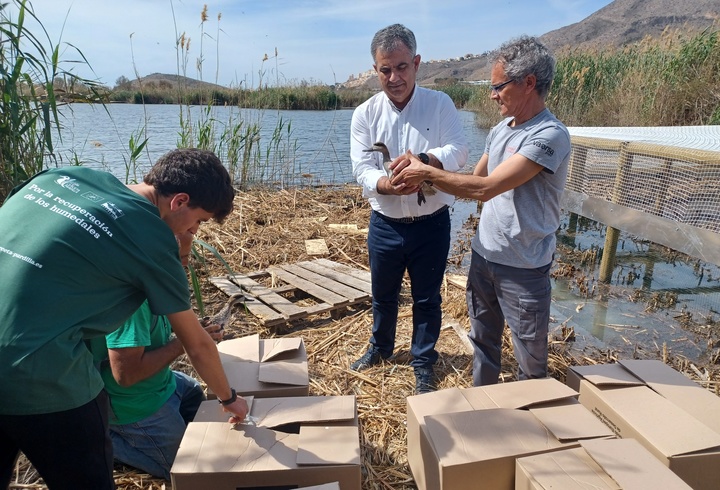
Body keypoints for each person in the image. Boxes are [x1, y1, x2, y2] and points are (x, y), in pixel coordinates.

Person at [0, 148, 249, 490]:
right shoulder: (152, 238)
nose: (194, 230)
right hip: (41, 372)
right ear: (179, 201)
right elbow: (197, 344)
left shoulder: (65, 177)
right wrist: (228, 398)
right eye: (199, 220)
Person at [392, 35, 571, 386]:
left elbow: (487, 188)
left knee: (530, 362)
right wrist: (423, 171)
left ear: (529, 83)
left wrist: (426, 171)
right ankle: (483, 410)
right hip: (484, 256)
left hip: (524, 266)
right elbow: (471, 182)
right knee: (484, 345)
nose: (492, 95)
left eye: (499, 87)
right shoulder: (501, 130)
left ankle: (532, 426)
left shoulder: (550, 136)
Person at [349, 23, 468, 394]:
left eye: (401, 67)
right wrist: (385, 184)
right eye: (385, 69)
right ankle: (381, 349)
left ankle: (422, 362)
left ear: (416, 63)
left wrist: (425, 162)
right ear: (375, 70)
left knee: (427, 298)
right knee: (383, 294)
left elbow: (460, 152)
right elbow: (361, 168)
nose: (394, 77)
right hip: (385, 223)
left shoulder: (440, 104)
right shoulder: (365, 115)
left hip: (431, 223)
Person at [89, 231, 222, 480]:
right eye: (180, 259)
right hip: (133, 404)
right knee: (187, 470)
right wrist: (184, 342)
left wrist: (197, 330)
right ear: (156, 261)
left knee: (193, 391)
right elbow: (126, 376)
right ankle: (108, 442)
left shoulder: (157, 285)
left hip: (161, 384)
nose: (185, 267)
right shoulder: (134, 304)